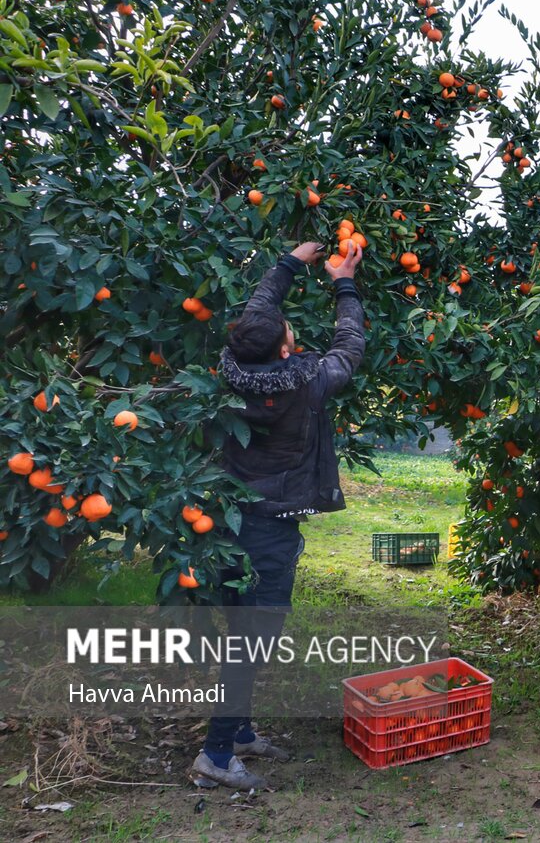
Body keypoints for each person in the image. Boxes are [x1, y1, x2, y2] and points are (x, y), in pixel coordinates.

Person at [188, 241, 365, 790]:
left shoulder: (233, 372)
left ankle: (238, 732)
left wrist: (290, 262)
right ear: (286, 353)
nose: (289, 332)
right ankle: (215, 756)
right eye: (289, 334)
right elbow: (349, 346)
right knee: (254, 640)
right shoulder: (307, 385)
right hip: (267, 527)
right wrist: (343, 282)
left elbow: (260, 314)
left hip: (225, 522)